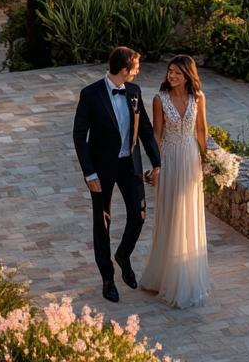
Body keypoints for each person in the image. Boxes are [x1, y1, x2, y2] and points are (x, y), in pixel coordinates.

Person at [73, 46, 161, 303]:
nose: (138, 72)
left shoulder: (134, 91)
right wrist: (89, 173)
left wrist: (157, 163)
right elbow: (79, 136)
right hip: (101, 170)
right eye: (135, 68)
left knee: (138, 215)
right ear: (124, 70)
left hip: (130, 165)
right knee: (102, 224)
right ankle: (108, 279)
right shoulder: (90, 94)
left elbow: (145, 129)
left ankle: (123, 254)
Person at [141, 55, 210, 308]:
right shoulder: (159, 99)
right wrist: (155, 166)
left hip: (190, 159)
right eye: (170, 71)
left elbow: (201, 130)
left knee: (188, 214)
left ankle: (187, 276)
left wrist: (208, 159)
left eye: (177, 73)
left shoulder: (198, 98)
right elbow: (157, 133)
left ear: (187, 75)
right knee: (170, 214)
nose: (171, 76)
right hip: (169, 159)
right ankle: (165, 276)